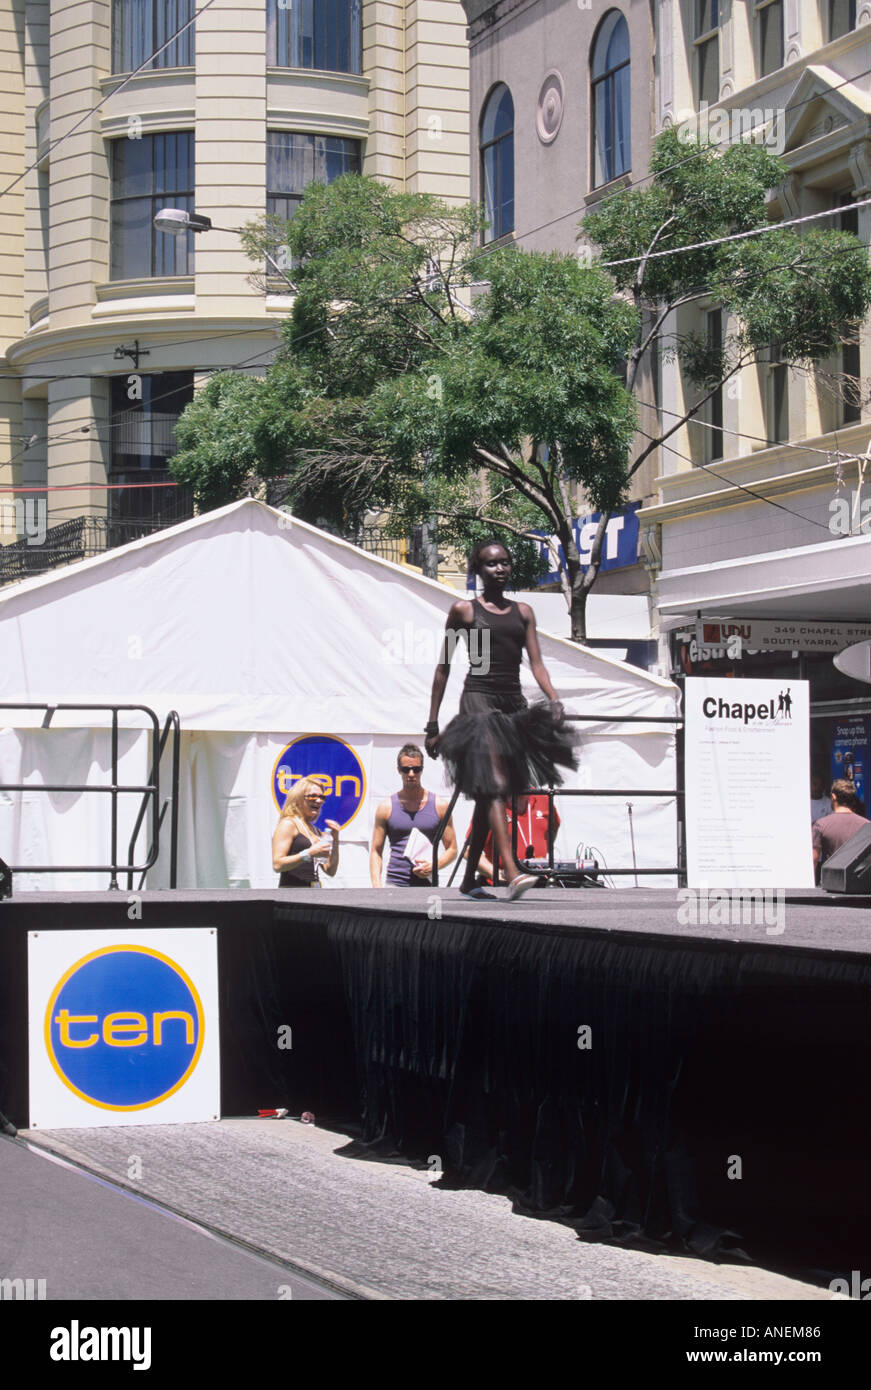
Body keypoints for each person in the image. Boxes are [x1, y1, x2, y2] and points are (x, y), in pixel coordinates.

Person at [425, 538, 577, 901]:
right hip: (478, 700)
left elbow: (536, 662)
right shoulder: (463, 611)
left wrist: (553, 698)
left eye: (505, 563)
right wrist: (432, 724)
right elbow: (443, 667)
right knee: (493, 785)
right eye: (492, 563)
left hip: (512, 704)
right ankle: (511, 871)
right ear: (478, 569)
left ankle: (467, 880)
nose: (500, 569)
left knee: (487, 797)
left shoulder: (523, 612)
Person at [370, 744, 458, 886]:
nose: (411, 774)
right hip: (395, 883)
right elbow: (375, 850)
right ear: (399, 770)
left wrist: (434, 866)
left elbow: (452, 849)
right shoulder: (386, 807)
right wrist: (376, 886)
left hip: (428, 885)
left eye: (416, 769)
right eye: (406, 769)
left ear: (422, 770)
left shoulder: (440, 806)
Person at [464, 792, 560, 885]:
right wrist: (496, 874)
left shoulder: (543, 798)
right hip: (502, 886)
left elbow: (553, 828)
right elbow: (468, 851)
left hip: (540, 881)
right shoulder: (491, 804)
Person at [272, 776, 340, 887]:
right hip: (291, 896)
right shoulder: (289, 823)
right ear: (298, 798)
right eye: (312, 796)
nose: (318, 801)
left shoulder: (315, 831)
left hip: (313, 894)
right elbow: (278, 865)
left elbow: (330, 871)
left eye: (322, 797)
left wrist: (335, 840)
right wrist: (309, 853)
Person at [812, 778, 869, 880]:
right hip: (860, 887)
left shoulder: (821, 825)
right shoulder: (867, 825)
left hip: (831, 884)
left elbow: (814, 859)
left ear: (833, 797)